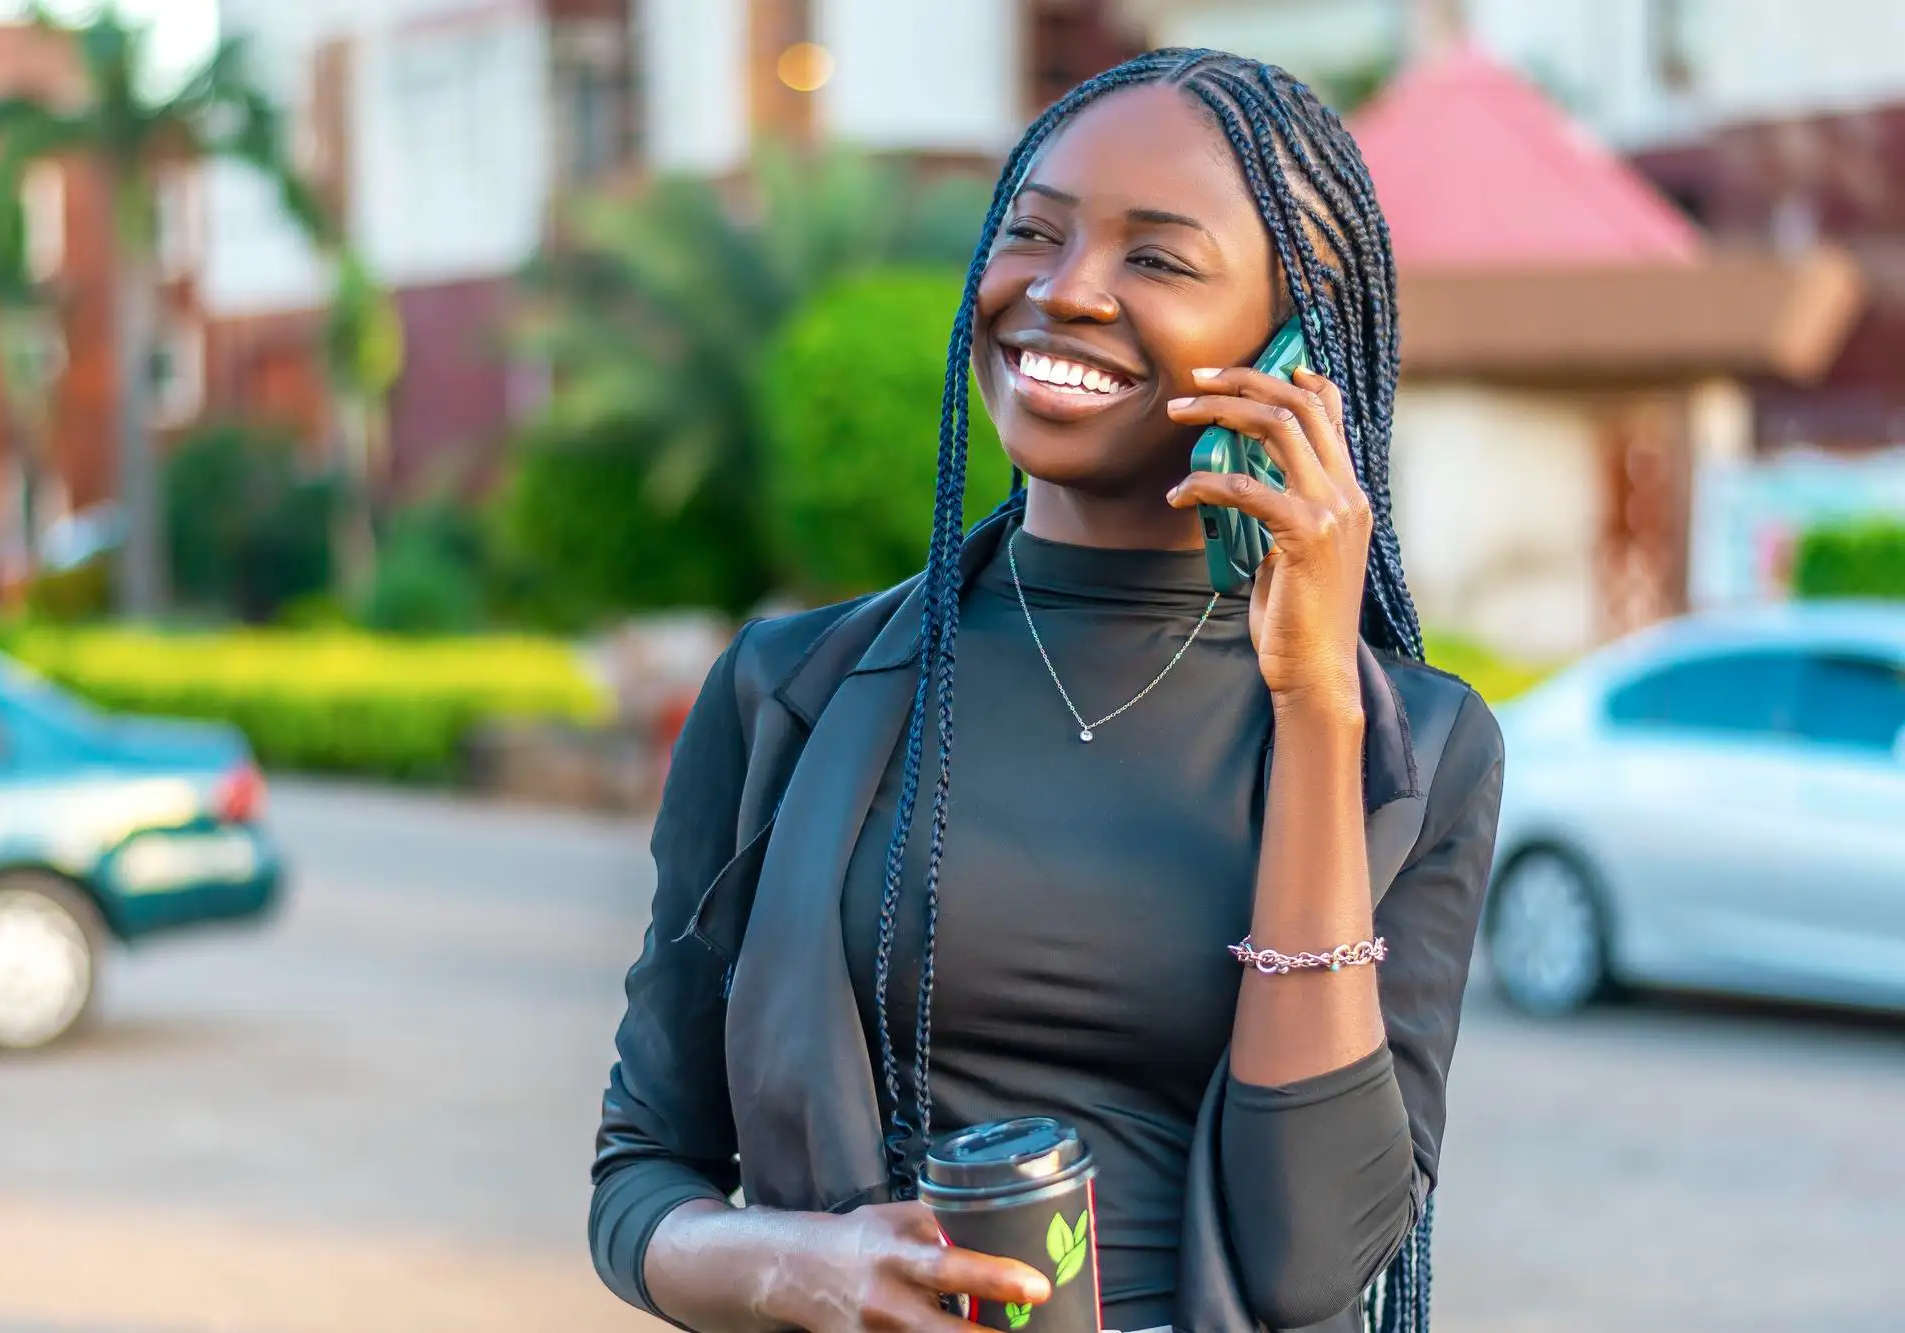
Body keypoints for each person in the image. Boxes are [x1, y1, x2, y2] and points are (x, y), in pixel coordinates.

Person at [591, 49, 1504, 1333]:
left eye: (1158, 258)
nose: (1062, 291)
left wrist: (1312, 708)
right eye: (1031, 232)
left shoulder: (1410, 747)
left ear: (1295, 339)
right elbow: (640, 1179)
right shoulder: (791, 694)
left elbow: (1308, 1258)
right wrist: (808, 1266)